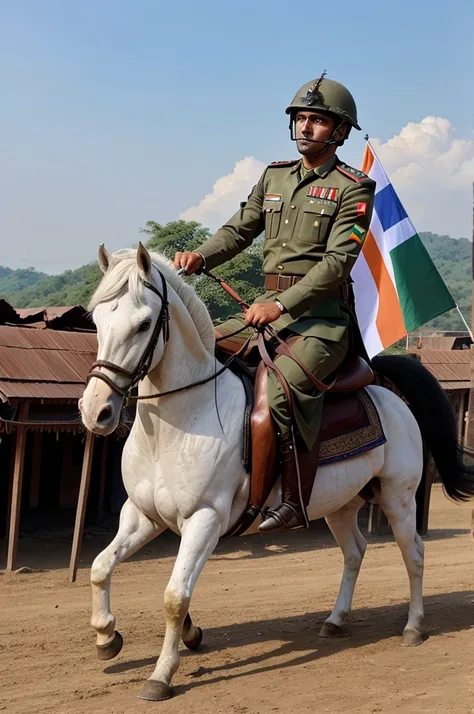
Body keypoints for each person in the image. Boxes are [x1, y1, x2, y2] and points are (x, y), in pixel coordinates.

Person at [174, 73, 376, 534]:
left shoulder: (354, 187)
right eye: (301, 119)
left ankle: (287, 500)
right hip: (264, 307)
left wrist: (282, 306)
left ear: (340, 131)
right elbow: (239, 229)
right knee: (196, 350)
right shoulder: (274, 175)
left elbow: (337, 264)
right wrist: (201, 254)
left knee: (279, 397)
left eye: (318, 121)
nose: (306, 128)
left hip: (320, 321)